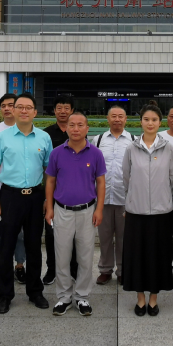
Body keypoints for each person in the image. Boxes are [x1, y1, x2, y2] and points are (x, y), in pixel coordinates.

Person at [0, 92, 54, 314]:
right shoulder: (2, 137)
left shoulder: (44, 138)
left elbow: (49, 172)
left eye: (28, 107)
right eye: (20, 107)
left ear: (35, 112)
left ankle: (35, 291)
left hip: (35, 197)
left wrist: (47, 200)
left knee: (34, 246)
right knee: (6, 246)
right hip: (10, 196)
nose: (24, 111)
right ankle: (5, 295)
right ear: (14, 111)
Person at [45, 111, 106, 316]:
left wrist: (99, 209)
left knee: (85, 256)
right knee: (62, 256)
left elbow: (101, 182)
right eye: (72, 125)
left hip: (87, 211)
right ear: (67, 128)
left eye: (80, 125)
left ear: (87, 129)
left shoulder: (95, 153)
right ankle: (63, 297)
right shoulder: (57, 153)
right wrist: (50, 207)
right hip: (62, 211)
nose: (76, 129)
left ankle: (82, 296)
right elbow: (50, 181)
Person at [122, 102, 173, 316]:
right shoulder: (131, 148)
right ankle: (140, 298)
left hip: (162, 212)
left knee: (159, 255)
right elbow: (126, 178)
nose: (150, 123)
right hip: (136, 212)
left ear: (160, 122)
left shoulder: (168, 148)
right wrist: (135, 197)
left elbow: (172, 178)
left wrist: (160, 195)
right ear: (140, 122)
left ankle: (153, 298)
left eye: (154, 120)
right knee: (136, 255)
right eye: (146, 119)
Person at [94, 104, 134, 285]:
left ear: (126, 119)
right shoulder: (97, 140)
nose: (117, 119)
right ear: (108, 119)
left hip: (125, 198)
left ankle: (123, 270)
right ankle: (105, 270)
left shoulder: (133, 140)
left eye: (121, 116)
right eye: (114, 116)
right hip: (102, 198)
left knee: (125, 238)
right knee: (104, 237)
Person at [0, 93, 26, 284]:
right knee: (2, 234)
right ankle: (5, 267)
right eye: (3, 105)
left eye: (11, 105)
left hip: (23, 191)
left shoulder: (26, 129)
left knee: (21, 234)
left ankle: (20, 266)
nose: (7, 108)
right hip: (2, 191)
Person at [43, 94, 77, 285]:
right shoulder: (46, 134)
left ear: (72, 110)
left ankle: (74, 268)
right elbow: (43, 167)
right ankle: (52, 269)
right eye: (59, 108)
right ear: (54, 111)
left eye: (66, 108)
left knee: (75, 234)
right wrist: (46, 198)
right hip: (53, 192)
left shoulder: (78, 132)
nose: (63, 111)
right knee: (51, 233)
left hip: (75, 192)